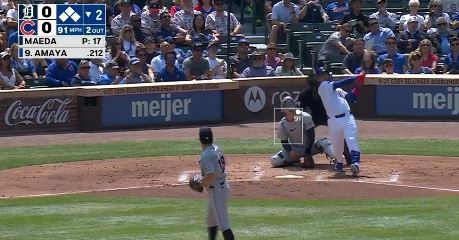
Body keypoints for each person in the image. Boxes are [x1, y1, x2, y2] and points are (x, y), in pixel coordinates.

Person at [316, 67, 365, 176]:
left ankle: (355, 163)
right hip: (333, 121)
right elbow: (342, 82)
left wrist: (358, 86)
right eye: (322, 75)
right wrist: (357, 77)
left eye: (326, 74)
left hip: (348, 118)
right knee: (336, 146)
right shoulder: (323, 87)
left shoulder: (336, 90)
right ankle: (339, 161)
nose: (325, 77)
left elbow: (350, 98)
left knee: (351, 139)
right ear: (318, 79)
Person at [196, 127, 235, 240]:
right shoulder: (217, 148)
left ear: (200, 139)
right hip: (221, 186)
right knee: (211, 221)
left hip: (216, 191)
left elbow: (211, 177)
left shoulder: (206, 155)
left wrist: (200, 184)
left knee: (224, 225)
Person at [271, 96, 324, 168]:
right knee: (275, 161)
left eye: (292, 110)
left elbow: (311, 137)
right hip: (295, 149)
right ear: (284, 111)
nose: (291, 113)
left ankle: (337, 158)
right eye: (288, 111)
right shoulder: (282, 123)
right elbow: (284, 141)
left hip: (311, 147)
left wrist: (308, 153)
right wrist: (290, 151)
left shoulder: (305, 117)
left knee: (325, 143)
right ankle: (294, 160)